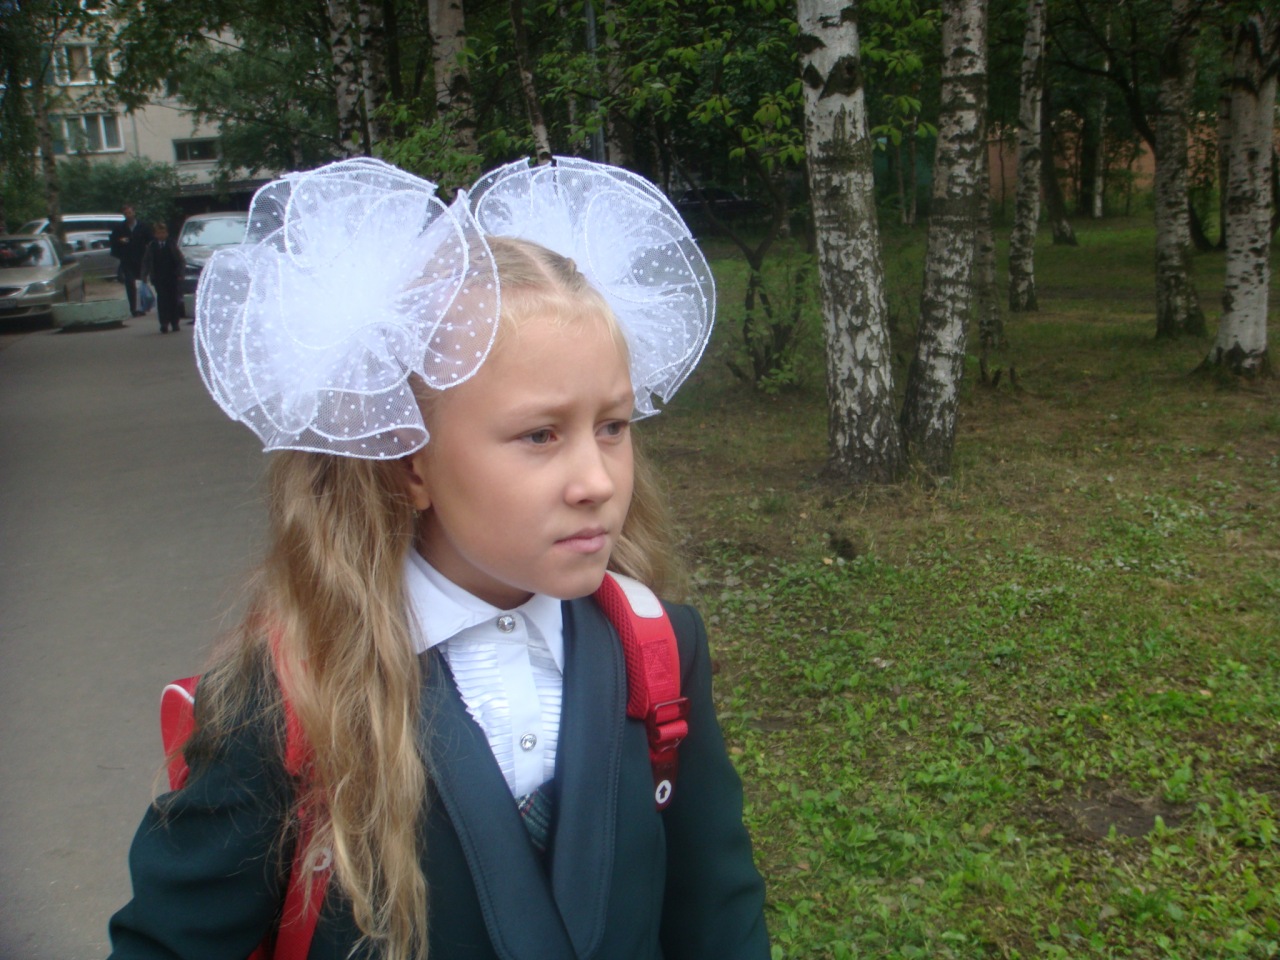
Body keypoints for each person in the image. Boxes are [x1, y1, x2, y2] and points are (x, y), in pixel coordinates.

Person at [106, 157, 768, 960]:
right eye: (540, 435)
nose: (597, 481)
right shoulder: (292, 695)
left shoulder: (658, 647)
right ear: (409, 462)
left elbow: (718, 912)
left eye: (613, 427)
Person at [140, 221, 186, 333]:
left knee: (173, 300)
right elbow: (146, 261)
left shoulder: (171, 244)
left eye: (163, 232)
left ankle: (175, 322)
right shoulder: (152, 246)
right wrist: (144, 275)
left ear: (167, 233)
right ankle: (164, 323)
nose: (161, 235)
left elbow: (180, 260)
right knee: (162, 300)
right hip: (158, 277)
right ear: (155, 234)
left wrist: (180, 273)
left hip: (172, 276)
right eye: (159, 233)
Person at [108, 204, 152, 317]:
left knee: (140, 283)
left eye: (130, 213)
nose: (128, 215)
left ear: (134, 213)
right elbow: (113, 242)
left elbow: (150, 241)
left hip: (141, 260)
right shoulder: (120, 228)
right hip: (127, 260)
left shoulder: (142, 226)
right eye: (126, 213)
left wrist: (149, 256)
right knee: (130, 283)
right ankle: (133, 308)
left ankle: (141, 307)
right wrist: (120, 241)